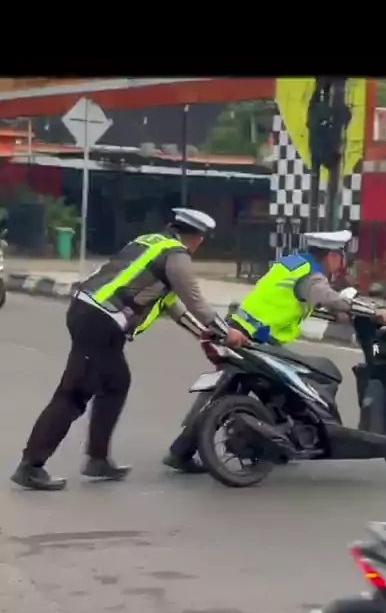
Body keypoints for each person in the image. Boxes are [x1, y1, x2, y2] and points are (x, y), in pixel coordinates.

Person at [11, 208, 249, 491]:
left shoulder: (150, 243)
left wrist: (204, 334)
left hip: (91, 314)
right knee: (74, 393)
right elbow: (195, 301)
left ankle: (98, 459)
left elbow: (173, 306)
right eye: (202, 238)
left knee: (116, 383)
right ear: (196, 237)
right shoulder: (176, 256)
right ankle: (31, 465)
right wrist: (226, 332)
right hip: (99, 320)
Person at [164, 230, 386, 469]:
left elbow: (296, 301)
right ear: (331, 256)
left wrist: (340, 314)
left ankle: (183, 452)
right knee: (322, 375)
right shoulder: (311, 276)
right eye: (341, 256)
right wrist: (372, 311)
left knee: (239, 390)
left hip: (238, 329)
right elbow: (328, 298)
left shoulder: (292, 265)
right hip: (255, 340)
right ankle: (293, 440)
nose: (342, 263)